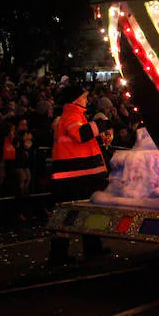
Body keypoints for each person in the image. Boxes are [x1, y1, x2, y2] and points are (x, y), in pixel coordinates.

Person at [48, 85, 114, 265]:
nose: (86, 100)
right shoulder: (72, 115)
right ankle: (61, 255)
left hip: (75, 175)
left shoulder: (75, 116)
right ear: (76, 99)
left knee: (82, 212)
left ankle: (86, 249)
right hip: (74, 176)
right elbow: (80, 134)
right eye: (84, 97)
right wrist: (101, 124)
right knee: (70, 214)